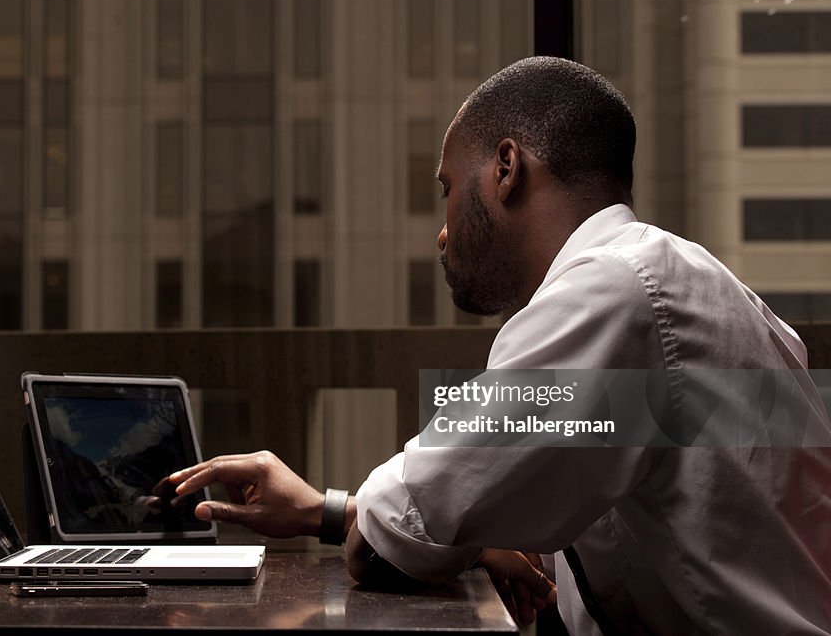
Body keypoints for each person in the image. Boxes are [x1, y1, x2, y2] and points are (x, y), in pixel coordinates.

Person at [167, 57, 831, 634]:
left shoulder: (614, 292)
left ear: (507, 168)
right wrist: (335, 510)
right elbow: (488, 506)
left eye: (449, 189)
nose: (441, 232)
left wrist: (384, 520)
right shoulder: (699, 285)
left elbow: (390, 540)